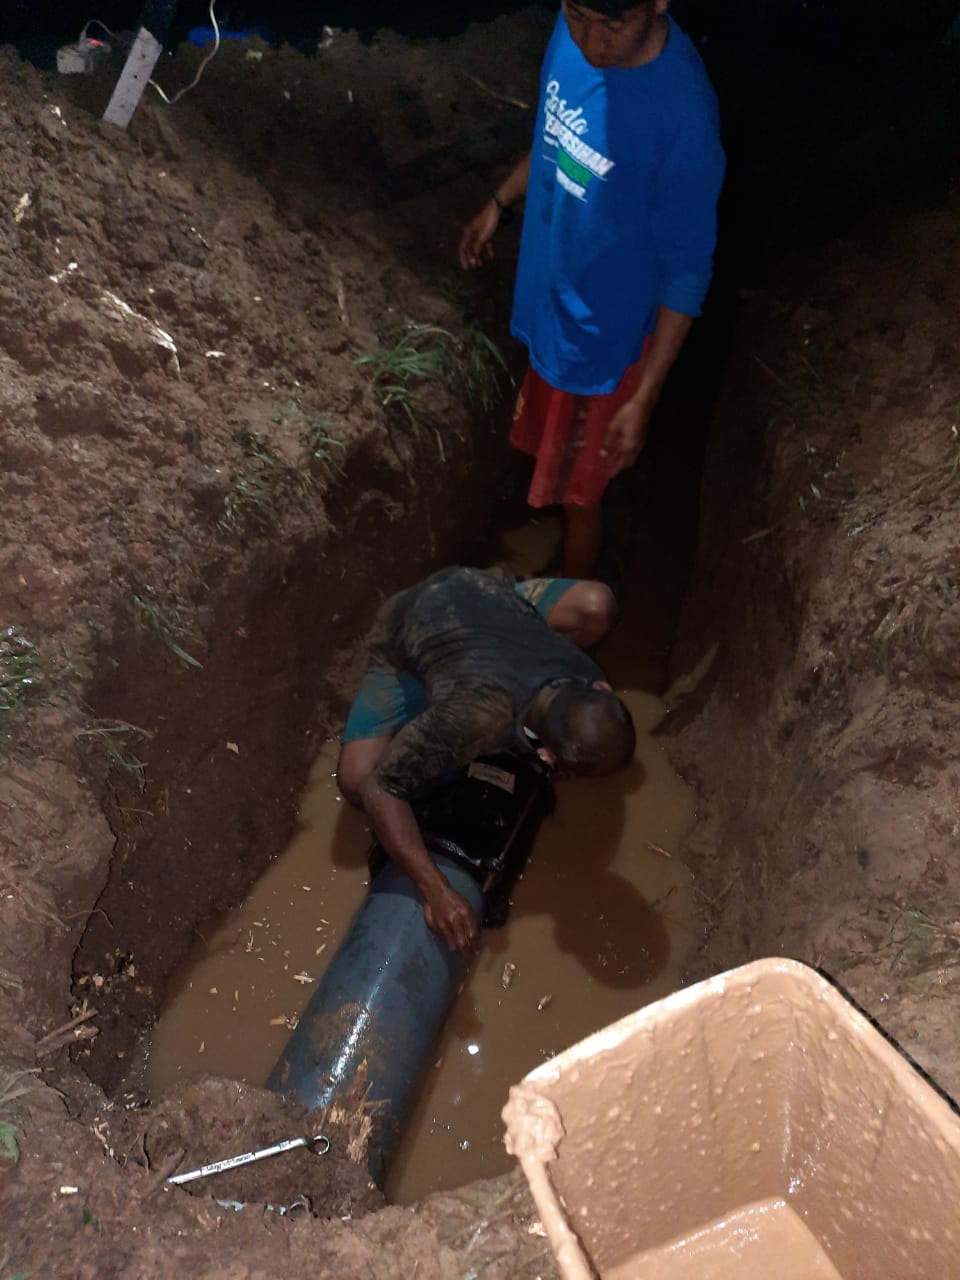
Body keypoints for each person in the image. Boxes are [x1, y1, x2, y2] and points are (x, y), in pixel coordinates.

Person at [459, 0, 726, 579]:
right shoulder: (572, 30)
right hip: (550, 309)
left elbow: (687, 272)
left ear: (657, 2)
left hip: (605, 350)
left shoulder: (685, 121)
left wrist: (644, 398)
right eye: (576, 15)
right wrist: (500, 202)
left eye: (611, 24)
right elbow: (558, 133)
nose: (589, 41)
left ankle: (567, 616)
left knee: (584, 503)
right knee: (562, 479)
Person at [337, 567, 635, 953]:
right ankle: (429, 692)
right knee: (356, 779)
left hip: (478, 592)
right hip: (409, 624)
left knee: (597, 605)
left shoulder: (584, 674)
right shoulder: (480, 715)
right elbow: (380, 789)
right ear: (547, 753)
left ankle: (452, 678)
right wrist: (436, 891)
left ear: (600, 689)